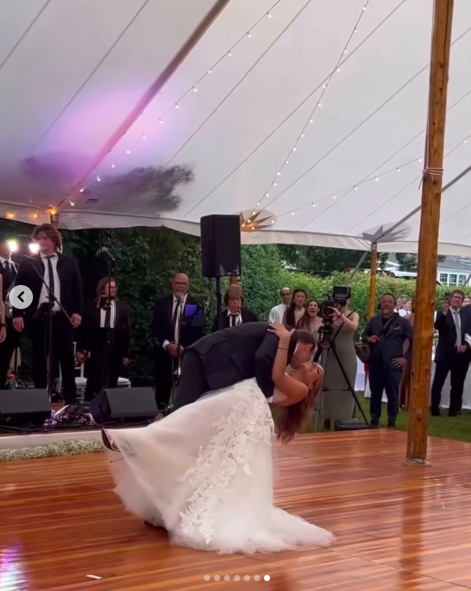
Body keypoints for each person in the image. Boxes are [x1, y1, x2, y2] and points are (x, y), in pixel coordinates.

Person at [101, 323, 333, 554]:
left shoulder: (300, 389)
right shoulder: (285, 367)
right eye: (314, 363)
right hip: (238, 401)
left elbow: (274, 376)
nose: (314, 365)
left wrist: (283, 341)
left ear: (312, 385)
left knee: (189, 425)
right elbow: (270, 370)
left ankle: (136, 443)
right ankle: (141, 448)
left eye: (317, 372)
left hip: (241, 406)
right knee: (191, 428)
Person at [172, 321, 317, 411]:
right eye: (309, 358)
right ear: (307, 347)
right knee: (182, 413)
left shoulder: (286, 340)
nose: (305, 362)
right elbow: (262, 357)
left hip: (213, 366)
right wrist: (265, 395)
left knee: (193, 413)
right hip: (204, 357)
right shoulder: (284, 333)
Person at [13, 224, 83, 404]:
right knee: (39, 357)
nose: (41, 241)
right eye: (39, 238)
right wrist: (18, 314)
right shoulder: (29, 262)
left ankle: (71, 400)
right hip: (39, 316)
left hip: (62, 316)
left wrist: (77, 311)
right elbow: (20, 289)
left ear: (54, 240)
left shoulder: (69, 262)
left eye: (45, 237)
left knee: (66, 357)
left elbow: (77, 289)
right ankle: (40, 400)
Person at [152, 273, 204, 410]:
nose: (180, 286)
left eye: (183, 284)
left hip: (185, 353)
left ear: (188, 287)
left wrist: (183, 347)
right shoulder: (162, 304)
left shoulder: (194, 305)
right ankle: (161, 410)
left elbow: (197, 332)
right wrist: (167, 344)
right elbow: (156, 326)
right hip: (165, 352)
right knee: (163, 384)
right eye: (178, 283)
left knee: (185, 385)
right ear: (172, 285)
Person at [362, 293, 413, 428]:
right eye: (384, 301)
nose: (386, 304)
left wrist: (405, 358)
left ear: (394, 304)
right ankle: (374, 420)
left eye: (390, 302)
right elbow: (364, 335)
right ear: (380, 304)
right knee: (375, 394)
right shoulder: (374, 321)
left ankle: (392, 422)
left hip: (393, 364)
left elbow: (414, 341)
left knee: (392, 394)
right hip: (375, 363)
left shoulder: (402, 322)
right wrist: (369, 339)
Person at [76, 278, 131, 402]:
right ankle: (89, 405)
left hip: (114, 348)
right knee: (94, 380)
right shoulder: (91, 306)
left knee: (112, 380)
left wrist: (126, 354)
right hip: (95, 348)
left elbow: (126, 332)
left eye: (114, 288)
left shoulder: (122, 308)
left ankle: (109, 407)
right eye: (109, 287)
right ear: (102, 289)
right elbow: (83, 330)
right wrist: (80, 349)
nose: (112, 290)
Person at [320, 294, 359, 427]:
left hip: (347, 353)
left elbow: (354, 327)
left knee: (346, 383)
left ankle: (345, 415)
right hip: (331, 353)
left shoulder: (354, 314)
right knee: (329, 383)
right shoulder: (329, 314)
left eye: (345, 299)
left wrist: (340, 316)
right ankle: (327, 415)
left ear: (349, 300)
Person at [431, 290, 469, 417]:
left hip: (460, 355)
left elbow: (468, 333)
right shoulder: (444, 314)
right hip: (445, 354)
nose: (457, 300)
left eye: (460, 298)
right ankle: (435, 409)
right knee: (438, 382)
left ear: (462, 302)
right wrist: (444, 312)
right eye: (455, 297)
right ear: (450, 299)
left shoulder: (464, 316)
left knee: (457, 384)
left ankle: (454, 410)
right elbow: (437, 326)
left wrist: (466, 345)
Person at [0, 241, 17, 387]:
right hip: (0, 317)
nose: (9, 248)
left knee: (6, 355)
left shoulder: (17, 267)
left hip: (12, 317)